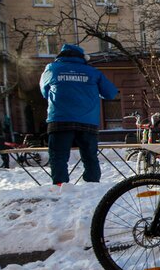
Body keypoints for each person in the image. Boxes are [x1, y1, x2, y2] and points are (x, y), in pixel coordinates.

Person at [40, 44, 118, 184]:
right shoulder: (92, 72)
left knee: (58, 156)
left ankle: (60, 185)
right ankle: (92, 184)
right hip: (88, 121)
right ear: (82, 57)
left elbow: (44, 92)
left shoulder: (52, 69)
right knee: (90, 156)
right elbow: (111, 93)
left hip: (60, 120)